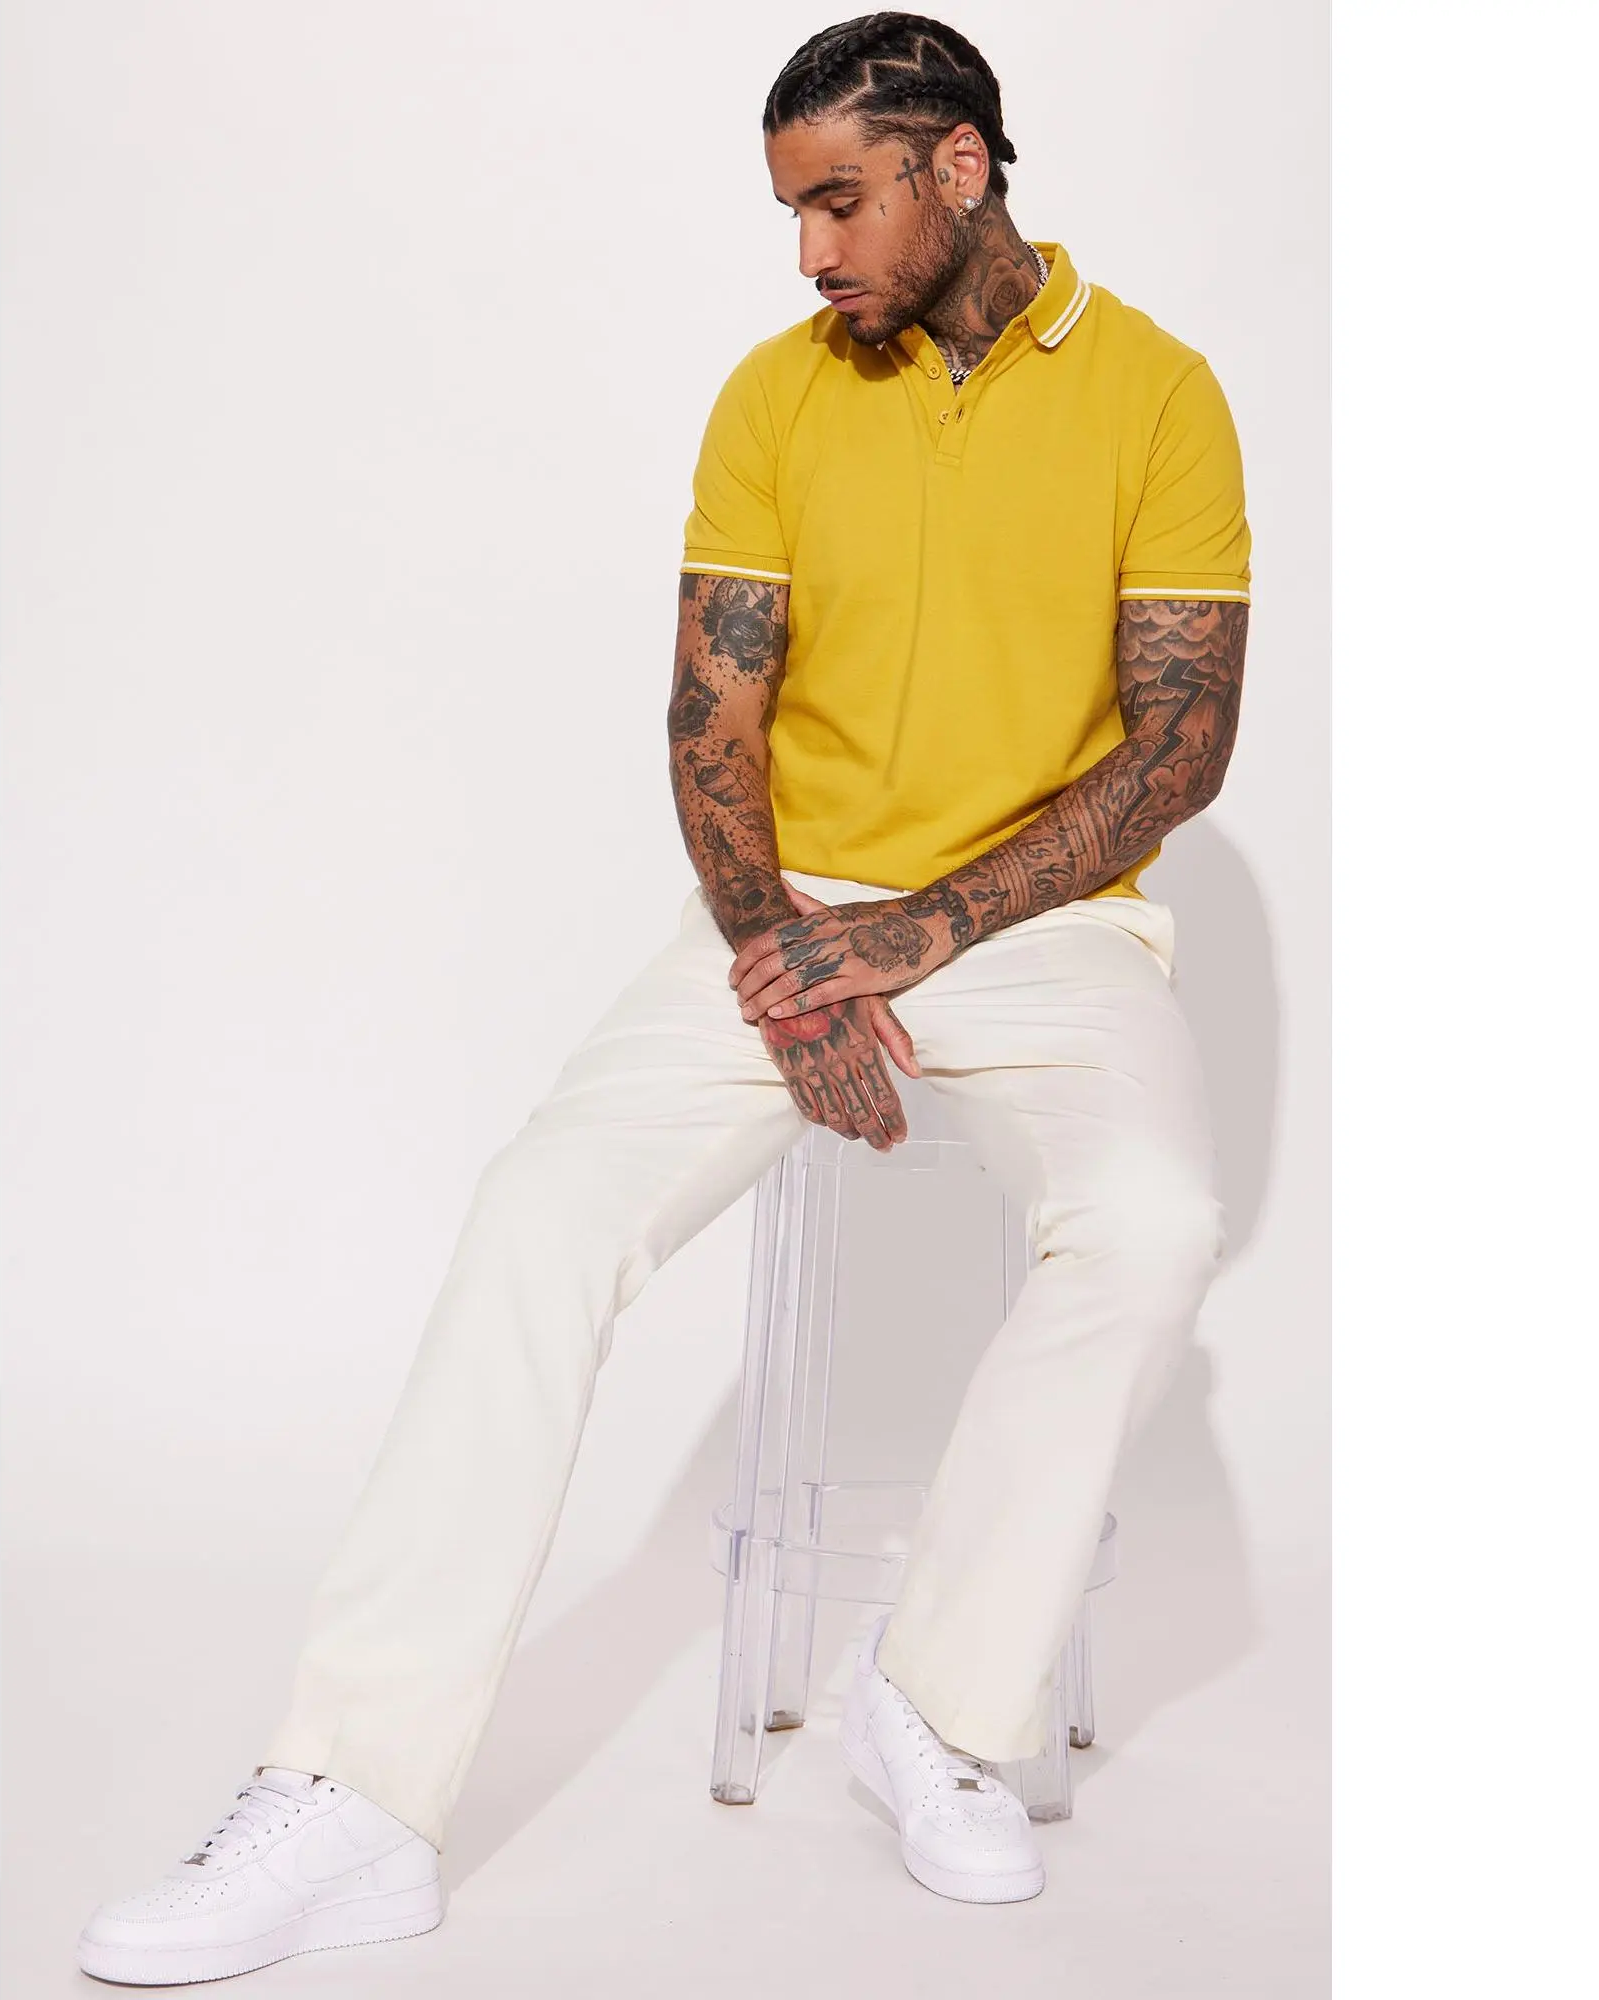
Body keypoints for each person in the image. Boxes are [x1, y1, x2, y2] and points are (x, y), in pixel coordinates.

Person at [77, 9, 1251, 1981]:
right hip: (789, 918)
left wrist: (921, 933)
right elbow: (714, 726)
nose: (811, 252)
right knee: (539, 1209)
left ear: (961, 166)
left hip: (1046, 922)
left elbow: (1179, 746)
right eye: (792, 211)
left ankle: (937, 1702)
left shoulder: (1159, 393)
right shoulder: (774, 397)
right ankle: (353, 1794)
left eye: (840, 203)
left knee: (1153, 1220)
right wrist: (793, 967)